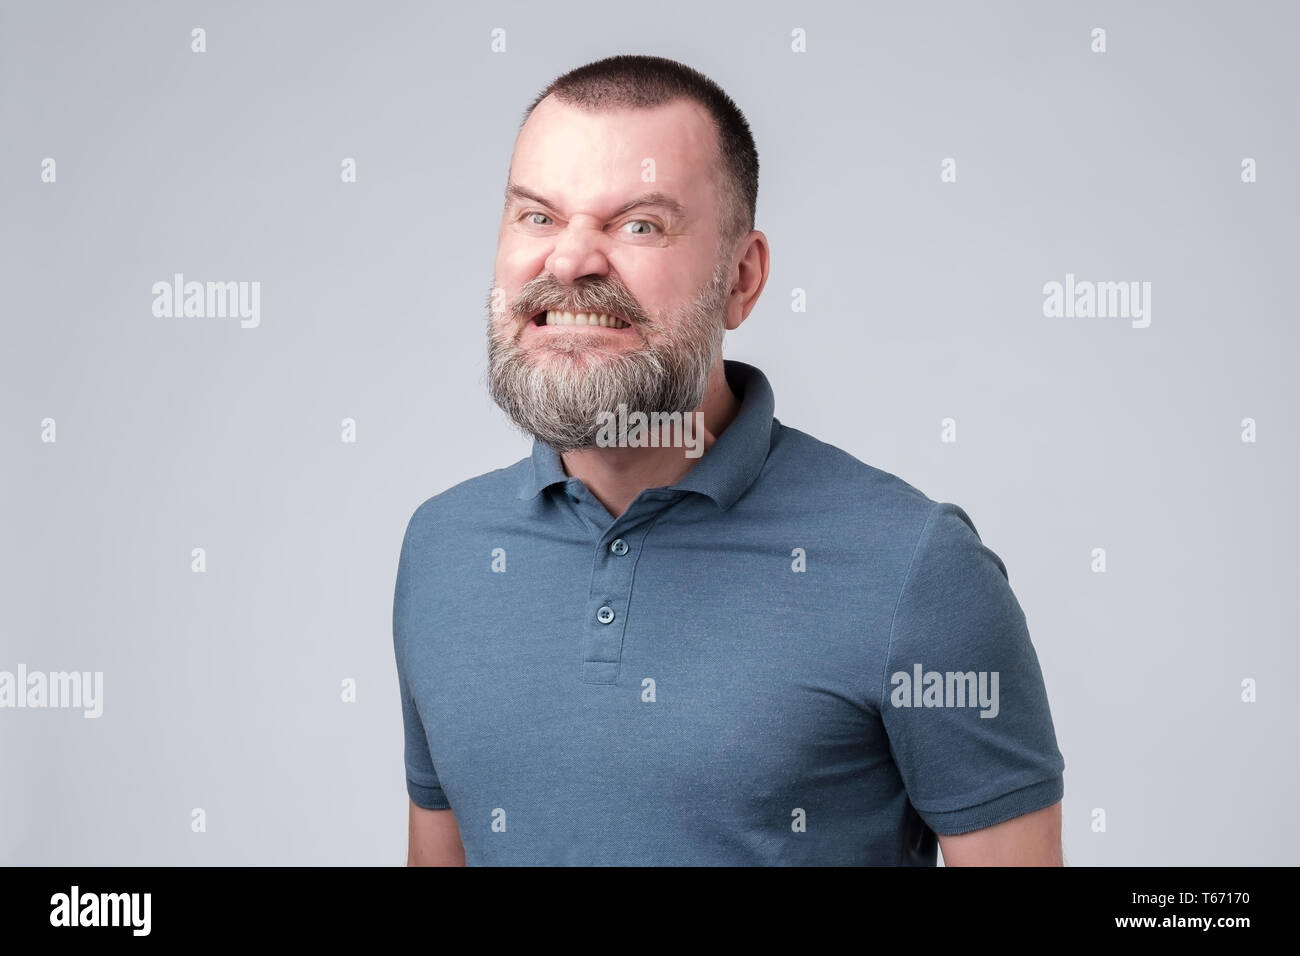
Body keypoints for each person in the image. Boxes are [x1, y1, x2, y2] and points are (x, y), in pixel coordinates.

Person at [393, 54, 1065, 866]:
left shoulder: (917, 569)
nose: (569, 263)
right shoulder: (444, 549)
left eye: (639, 224)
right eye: (538, 217)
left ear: (740, 280)